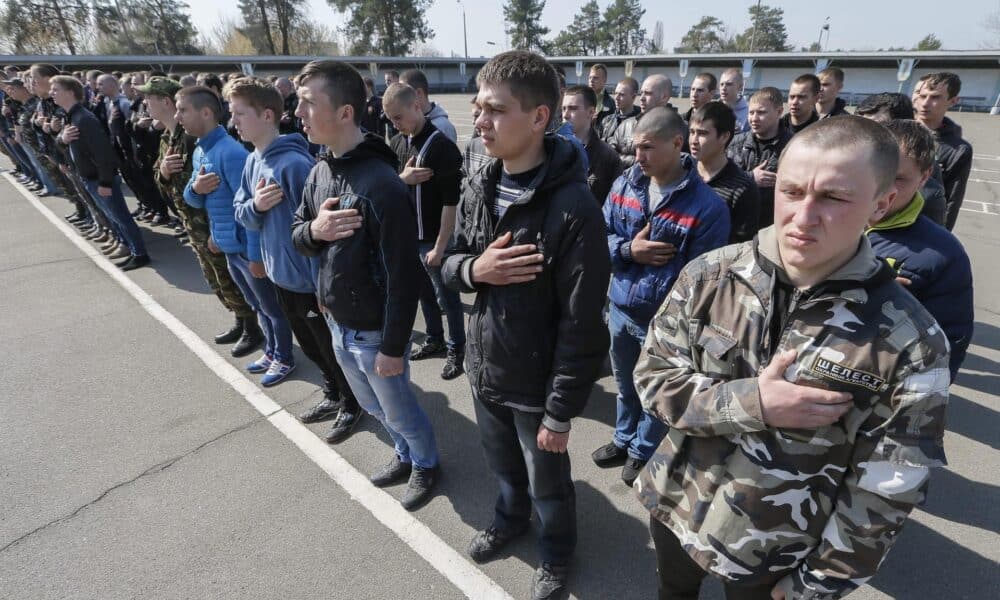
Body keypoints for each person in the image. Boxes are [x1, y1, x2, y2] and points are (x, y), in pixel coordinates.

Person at [635, 115, 950, 600]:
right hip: (677, 508)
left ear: (881, 204)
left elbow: (887, 488)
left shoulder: (910, 342)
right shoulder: (711, 276)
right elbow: (653, 379)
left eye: (834, 198)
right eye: (791, 191)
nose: (803, 218)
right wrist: (750, 401)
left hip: (776, 555)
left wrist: (819, 582)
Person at [441, 50, 611, 600]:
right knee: (503, 467)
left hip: (536, 387)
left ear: (540, 118)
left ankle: (557, 553)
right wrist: (475, 268)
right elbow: (449, 264)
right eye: (477, 107)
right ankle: (509, 519)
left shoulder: (573, 209)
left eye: (494, 110)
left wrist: (560, 412)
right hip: (484, 365)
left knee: (549, 483)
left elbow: (583, 325)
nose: (480, 121)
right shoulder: (480, 184)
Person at [290, 60, 440, 511]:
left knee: (398, 409)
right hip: (339, 323)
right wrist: (316, 230)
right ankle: (404, 452)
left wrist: (395, 346)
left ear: (345, 112)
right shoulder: (319, 171)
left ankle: (426, 463)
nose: (298, 113)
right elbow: (299, 234)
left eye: (308, 103)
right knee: (373, 408)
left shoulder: (381, 185)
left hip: (374, 333)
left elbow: (404, 275)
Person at [596, 106, 730, 487]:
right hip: (620, 309)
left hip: (666, 323)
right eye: (635, 147)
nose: (638, 156)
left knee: (656, 393)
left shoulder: (707, 207)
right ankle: (623, 438)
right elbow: (597, 236)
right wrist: (628, 251)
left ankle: (643, 449)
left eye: (647, 148)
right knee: (625, 384)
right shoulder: (626, 184)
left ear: (677, 142)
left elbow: (702, 277)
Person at [226, 77, 364, 437]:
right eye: (232, 114)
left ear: (268, 114)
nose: (234, 122)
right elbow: (239, 211)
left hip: (308, 282)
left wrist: (322, 284)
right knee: (309, 345)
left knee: (327, 346)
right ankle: (333, 391)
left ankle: (352, 402)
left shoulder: (293, 166)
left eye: (240, 114)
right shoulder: (253, 161)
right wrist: (255, 206)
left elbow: (320, 231)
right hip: (280, 276)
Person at [140, 76, 257, 350]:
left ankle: (251, 325)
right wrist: (166, 173)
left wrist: (216, 228)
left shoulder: (194, 139)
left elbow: (228, 192)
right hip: (190, 218)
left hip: (211, 222)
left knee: (230, 276)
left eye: (150, 98)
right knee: (215, 275)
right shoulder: (167, 139)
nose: (145, 103)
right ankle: (240, 319)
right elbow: (161, 179)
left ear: (167, 101)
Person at [179, 86, 281, 365]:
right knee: (256, 305)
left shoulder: (232, 153)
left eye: (183, 110)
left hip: (246, 251)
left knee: (270, 307)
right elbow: (199, 201)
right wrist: (197, 190)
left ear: (206, 112)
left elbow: (248, 210)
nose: (179, 117)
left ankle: (280, 353)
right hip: (228, 247)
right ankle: (272, 350)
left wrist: (256, 256)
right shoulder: (201, 150)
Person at [867, 119, 974, 381]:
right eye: (877, 171)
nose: (884, 186)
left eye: (899, 178)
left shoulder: (943, 255)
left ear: (924, 176)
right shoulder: (827, 219)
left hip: (878, 384)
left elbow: (948, 343)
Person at [382, 82, 466, 380]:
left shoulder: (441, 146)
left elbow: (450, 202)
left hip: (434, 239)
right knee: (423, 295)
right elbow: (389, 185)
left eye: (398, 116)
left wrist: (441, 246)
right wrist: (401, 178)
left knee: (448, 298)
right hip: (409, 239)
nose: (395, 123)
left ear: (417, 105)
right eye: (390, 119)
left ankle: (457, 346)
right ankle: (435, 338)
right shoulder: (398, 142)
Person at [51, 75, 151, 271]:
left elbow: (103, 152)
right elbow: (64, 144)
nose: (52, 93)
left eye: (56, 89)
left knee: (121, 217)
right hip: (89, 177)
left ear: (70, 92)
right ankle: (131, 249)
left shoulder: (84, 118)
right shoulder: (70, 116)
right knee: (113, 217)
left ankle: (140, 253)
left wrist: (105, 182)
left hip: (99, 178)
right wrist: (61, 139)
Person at [855, 92, 947, 226]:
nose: (864, 137)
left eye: (876, 130)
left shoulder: (928, 196)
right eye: (859, 127)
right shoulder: (850, 169)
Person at [689, 101, 761, 243]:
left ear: (724, 137)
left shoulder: (743, 189)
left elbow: (740, 245)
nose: (694, 140)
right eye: (692, 132)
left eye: (702, 133)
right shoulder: (682, 172)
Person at [913, 72, 973, 231]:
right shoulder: (894, 130)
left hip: (918, 228)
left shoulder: (958, 150)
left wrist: (942, 237)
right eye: (923, 95)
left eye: (935, 97)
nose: (925, 103)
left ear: (953, 101)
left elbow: (952, 199)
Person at [728, 87, 792, 229]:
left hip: (770, 225)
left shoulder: (793, 147)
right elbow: (722, 180)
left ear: (779, 112)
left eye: (761, 112)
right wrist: (750, 178)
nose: (754, 118)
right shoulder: (735, 143)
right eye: (751, 112)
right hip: (736, 223)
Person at [561, 84, 622, 205]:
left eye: (573, 108)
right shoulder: (551, 149)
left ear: (591, 112)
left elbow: (614, 205)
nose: (565, 115)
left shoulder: (608, 157)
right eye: (563, 108)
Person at [612, 74, 674, 168]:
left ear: (664, 97)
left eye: (648, 93)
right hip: (626, 180)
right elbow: (610, 156)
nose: (641, 98)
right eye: (641, 93)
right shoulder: (626, 125)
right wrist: (636, 161)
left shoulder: (679, 129)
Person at [399, 68, 457, 143]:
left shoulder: (443, 127)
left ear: (418, 93)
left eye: (404, 94)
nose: (399, 98)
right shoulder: (408, 123)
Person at [600, 77, 640, 144]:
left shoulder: (640, 122)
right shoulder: (607, 120)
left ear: (633, 97)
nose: (616, 98)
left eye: (621, 94)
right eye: (615, 93)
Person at [719, 67, 749, 133]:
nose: (723, 88)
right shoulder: (711, 109)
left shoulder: (749, 113)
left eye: (729, 84)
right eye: (721, 84)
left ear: (740, 87)